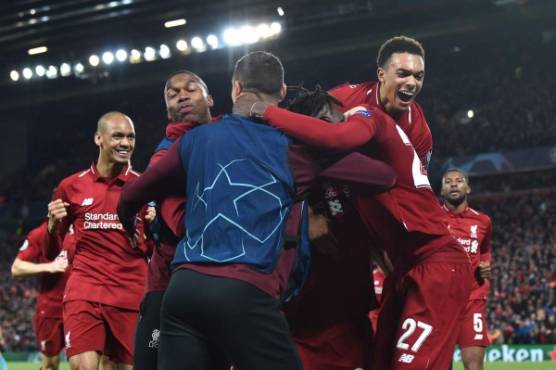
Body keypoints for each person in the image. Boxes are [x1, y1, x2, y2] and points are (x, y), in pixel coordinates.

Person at [117, 51, 396, 370]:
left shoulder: (196, 140)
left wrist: (128, 220)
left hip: (183, 291)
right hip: (245, 290)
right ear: (281, 93)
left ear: (235, 89)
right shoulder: (297, 150)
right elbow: (383, 176)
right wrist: (349, 127)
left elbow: (133, 193)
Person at [246, 89, 473, 369]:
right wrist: (304, 216)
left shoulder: (355, 164)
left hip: (348, 318)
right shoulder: (282, 165)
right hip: (298, 319)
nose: (344, 121)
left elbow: (383, 177)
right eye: (331, 118)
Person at [47, 112, 152, 370]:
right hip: (85, 289)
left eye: (130, 137)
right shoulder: (71, 186)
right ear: (99, 138)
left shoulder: (146, 186)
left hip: (129, 293)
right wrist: (52, 227)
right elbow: (54, 250)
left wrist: (156, 224)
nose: (125, 143)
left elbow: (154, 248)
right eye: (117, 136)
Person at [133, 70, 213, 370]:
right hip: (168, 283)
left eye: (191, 89)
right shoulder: (164, 157)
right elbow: (180, 222)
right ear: (168, 109)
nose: (181, 95)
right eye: (173, 93)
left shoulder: (229, 138)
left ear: (210, 98)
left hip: (221, 279)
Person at [328, 35, 432, 166]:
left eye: (418, 76)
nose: (412, 83)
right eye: (403, 74)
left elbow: (415, 184)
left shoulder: (420, 133)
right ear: (381, 75)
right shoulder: (341, 99)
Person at [440, 169, 492, 370]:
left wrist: (485, 265)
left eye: (459, 181)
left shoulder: (483, 221)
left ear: (468, 188)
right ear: (441, 191)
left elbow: (485, 250)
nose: (454, 184)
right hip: (440, 301)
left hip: (472, 299)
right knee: (442, 364)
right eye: (448, 182)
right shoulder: (432, 219)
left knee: (474, 366)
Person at [11, 221, 70, 370]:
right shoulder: (40, 233)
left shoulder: (84, 229)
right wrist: (48, 266)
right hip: (50, 310)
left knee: (84, 364)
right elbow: (16, 268)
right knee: (50, 365)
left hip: (79, 306)